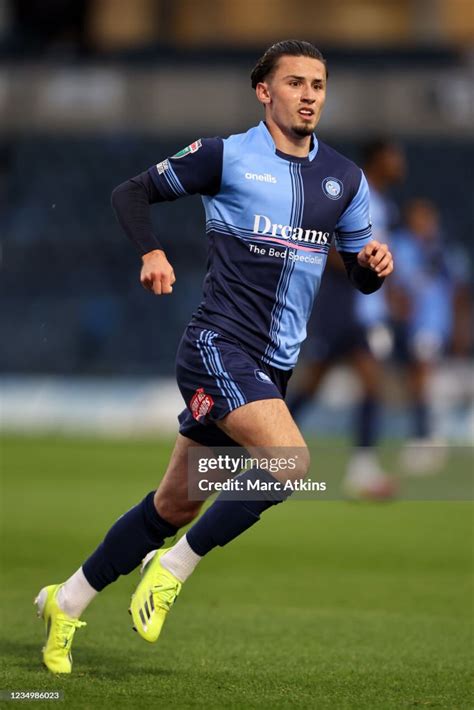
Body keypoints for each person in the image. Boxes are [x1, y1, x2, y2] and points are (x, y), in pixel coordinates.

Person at [35, 40, 394, 674]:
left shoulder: (346, 180)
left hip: (271, 368)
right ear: (265, 91)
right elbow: (130, 193)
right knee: (289, 464)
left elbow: (359, 275)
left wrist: (372, 268)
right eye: (296, 83)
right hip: (217, 347)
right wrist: (150, 252)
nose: (310, 94)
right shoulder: (224, 156)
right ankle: (172, 569)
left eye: (319, 84)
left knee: (173, 506)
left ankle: (65, 601)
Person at [287, 140, 405, 498]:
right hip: (339, 304)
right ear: (377, 159)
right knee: (313, 383)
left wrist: (386, 291)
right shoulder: (351, 190)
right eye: (393, 155)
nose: (400, 162)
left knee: (371, 384)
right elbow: (327, 245)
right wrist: (360, 267)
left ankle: (362, 471)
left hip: (365, 310)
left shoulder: (387, 206)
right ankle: (263, 442)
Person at [388, 198, 470, 472]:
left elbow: (459, 292)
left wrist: (460, 330)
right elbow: (391, 284)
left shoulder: (443, 250)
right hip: (405, 326)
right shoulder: (400, 244)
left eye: (428, 218)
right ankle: (426, 435)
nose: (424, 223)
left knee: (422, 377)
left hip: (432, 324)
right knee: (415, 382)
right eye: (419, 217)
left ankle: (424, 438)